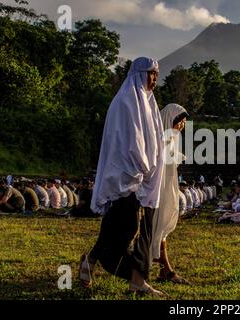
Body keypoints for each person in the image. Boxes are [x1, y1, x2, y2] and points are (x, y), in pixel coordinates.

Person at [79, 57, 165, 295]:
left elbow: (154, 141)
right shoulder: (126, 101)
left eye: (157, 74)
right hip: (126, 177)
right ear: (139, 74)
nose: (155, 79)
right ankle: (133, 276)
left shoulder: (149, 103)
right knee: (128, 228)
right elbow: (127, 141)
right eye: (151, 73)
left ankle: (93, 262)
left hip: (141, 179)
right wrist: (141, 168)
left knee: (119, 226)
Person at [151, 103, 190, 284]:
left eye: (183, 122)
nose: (182, 125)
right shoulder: (159, 138)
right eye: (180, 121)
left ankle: (164, 270)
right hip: (158, 189)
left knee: (161, 229)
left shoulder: (171, 139)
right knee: (158, 228)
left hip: (167, 187)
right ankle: (166, 270)